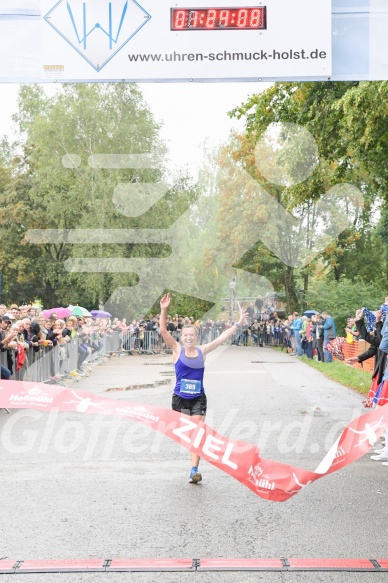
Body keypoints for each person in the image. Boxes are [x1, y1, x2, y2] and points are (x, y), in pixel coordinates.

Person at [159, 293, 247, 484]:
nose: (189, 337)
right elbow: (164, 330)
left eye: (192, 335)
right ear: (181, 337)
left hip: (198, 398)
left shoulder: (202, 351)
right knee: (187, 434)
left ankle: (194, 470)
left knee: (197, 433)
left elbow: (223, 337)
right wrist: (164, 309)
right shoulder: (176, 350)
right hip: (180, 399)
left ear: (196, 337)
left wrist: (238, 323)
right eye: (185, 335)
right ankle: (193, 461)